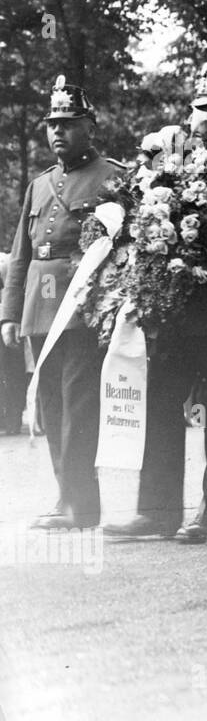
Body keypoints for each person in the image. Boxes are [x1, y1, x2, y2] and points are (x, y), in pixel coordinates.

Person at [104, 70, 207, 542]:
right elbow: (140, 205)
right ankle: (156, 511)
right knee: (161, 404)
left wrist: (195, 226)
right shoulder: (170, 155)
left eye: (202, 110)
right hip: (173, 305)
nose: (191, 118)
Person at [1, 77, 127, 529]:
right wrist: (10, 314)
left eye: (69, 124)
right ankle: (66, 496)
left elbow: (124, 249)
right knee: (50, 404)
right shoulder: (38, 185)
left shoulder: (112, 178)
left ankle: (81, 505)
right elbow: (21, 254)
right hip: (41, 307)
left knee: (79, 405)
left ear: (89, 127)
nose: (58, 132)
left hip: (83, 306)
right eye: (53, 124)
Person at [0, 252, 26, 434]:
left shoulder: (6, 261)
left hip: (8, 321)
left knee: (12, 372)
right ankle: (10, 420)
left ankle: (12, 420)